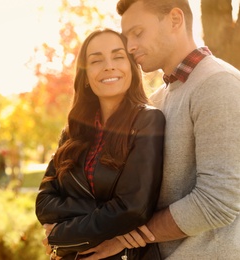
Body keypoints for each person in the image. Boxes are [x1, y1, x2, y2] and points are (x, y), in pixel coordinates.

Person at [80, 1, 240, 259]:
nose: (130, 46)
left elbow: (217, 202)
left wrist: (126, 239)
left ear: (175, 20)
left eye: (138, 33)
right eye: (127, 36)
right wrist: (65, 232)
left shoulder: (218, 84)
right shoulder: (157, 99)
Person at [35, 28, 166, 259]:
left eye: (118, 57)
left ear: (131, 68)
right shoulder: (71, 132)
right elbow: (44, 203)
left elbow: (134, 208)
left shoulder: (147, 120)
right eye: (96, 60)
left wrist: (59, 236)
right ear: (85, 77)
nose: (109, 66)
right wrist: (108, 213)